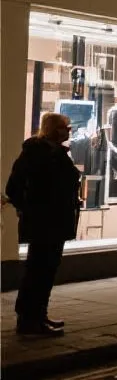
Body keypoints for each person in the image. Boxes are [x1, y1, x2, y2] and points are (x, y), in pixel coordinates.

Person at [5, 113, 81, 336]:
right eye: (65, 127)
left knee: (46, 270)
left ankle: (39, 315)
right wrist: (32, 209)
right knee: (38, 271)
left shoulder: (54, 152)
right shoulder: (37, 153)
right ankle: (29, 321)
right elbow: (14, 188)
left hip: (54, 222)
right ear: (54, 129)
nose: (69, 131)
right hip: (45, 223)